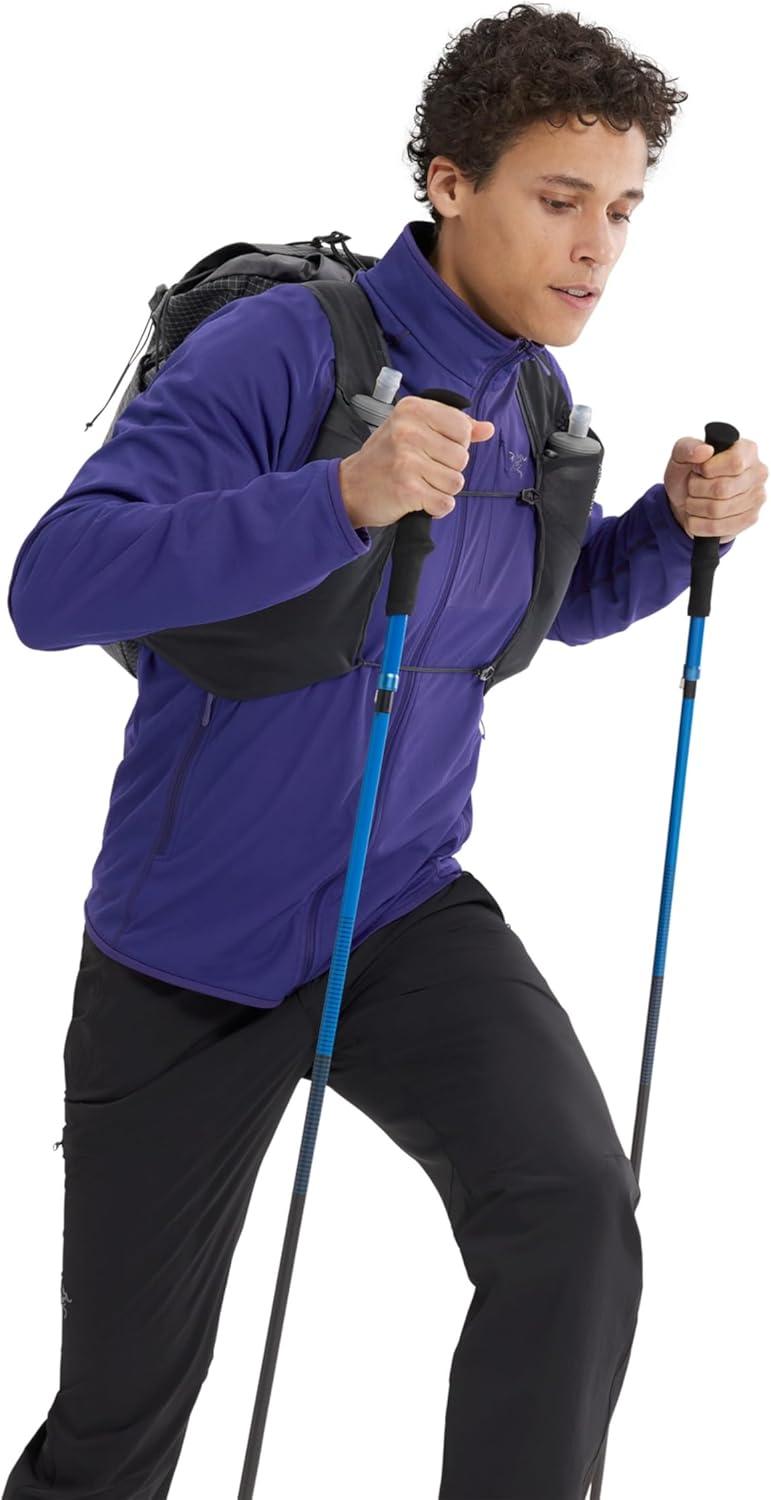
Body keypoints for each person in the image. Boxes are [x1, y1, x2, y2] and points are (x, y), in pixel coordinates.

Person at [4, 5, 763, 1498]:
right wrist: (337, 499)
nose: (597, 249)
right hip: (188, 951)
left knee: (574, 1213)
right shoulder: (284, 347)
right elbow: (55, 582)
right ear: (449, 182)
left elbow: (520, 617)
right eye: (560, 199)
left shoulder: (531, 396)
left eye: (622, 210)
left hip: (401, 910)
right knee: (117, 1423)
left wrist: (673, 533)